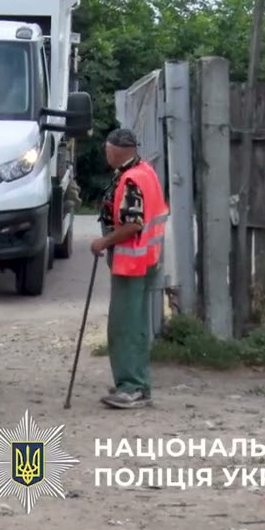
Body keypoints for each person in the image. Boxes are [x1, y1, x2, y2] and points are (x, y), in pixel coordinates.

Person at [90, 128, 169, 410]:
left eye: (106, 148)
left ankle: (131, 388)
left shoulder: (131, 179)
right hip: (146, 258)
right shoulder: (146, 171)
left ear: (113, 150)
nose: (105, 153)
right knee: (135, 326)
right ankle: (138, 385)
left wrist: (103, 241)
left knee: (123, 327)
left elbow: (133, 224)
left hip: (130, 262)